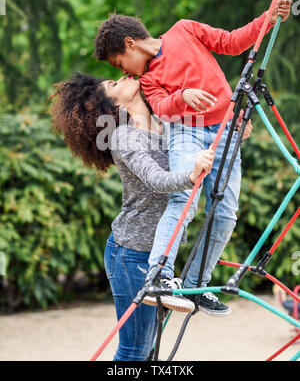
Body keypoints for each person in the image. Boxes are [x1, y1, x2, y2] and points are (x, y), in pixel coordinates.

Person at [93, 0, 292, 316]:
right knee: (184, 198)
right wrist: (181, 96)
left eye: (119, 64)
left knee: (226, 214)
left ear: (130, 45)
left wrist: (267, 18)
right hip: (187, 131)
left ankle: (197, 282)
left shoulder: (184, 30)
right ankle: (159, 276)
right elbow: (161, 107)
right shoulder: (147, 79)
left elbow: (230, 42)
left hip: (226, 130)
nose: (124, 72)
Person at [48, 72, 215, 361]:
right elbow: (155, 179)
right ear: (112, 107)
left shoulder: (165, 125)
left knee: (150, 349)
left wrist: (235, 129)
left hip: (159, 256)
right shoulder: (124, 136)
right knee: (135, 350)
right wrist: (190, 175)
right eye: (114, 84)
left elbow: (205, 138)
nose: (123, 77)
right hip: (130, 255)